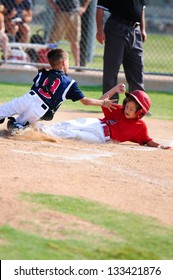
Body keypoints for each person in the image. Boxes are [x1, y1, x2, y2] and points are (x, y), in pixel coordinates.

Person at [0, 48, 118, 132]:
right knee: (18, 125)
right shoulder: (70, 83)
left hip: (27, 98)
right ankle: (17, 126)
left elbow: (35, 88)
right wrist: (103, 102)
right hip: (39, 109)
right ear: (63, 62)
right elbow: (85, 101)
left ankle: (12, 121)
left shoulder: (42, 73)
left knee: (3, 111)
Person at [36, 86, 171, 150]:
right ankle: (40, 129)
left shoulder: (140, 127)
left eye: (131, 109)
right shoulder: (118, 110)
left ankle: (44, 133)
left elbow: (147, 140)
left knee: (74, 134)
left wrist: (160, 146)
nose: (127, 110)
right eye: (127, 106)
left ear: (140, 113)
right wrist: (115, 89)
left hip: (101, 138)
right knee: (72, 124)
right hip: (96, 124)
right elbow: (101, 100)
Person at [96, 0, 147, 102]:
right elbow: (100, 9)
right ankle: (112, 105)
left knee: (137, 70)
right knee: (112, 70)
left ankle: (137, 104)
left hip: (135, 30)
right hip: (117, 27)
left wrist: (142, 29)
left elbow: (141, 9)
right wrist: (99, 31)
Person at [48, 0, 91, 68]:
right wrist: (53, 5)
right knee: (53, 39)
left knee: (75, 41)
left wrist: (84, 7)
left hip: (75, 12)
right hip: (61, 11)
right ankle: (51, 62)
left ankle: (77, 65)